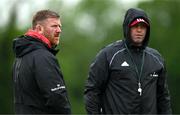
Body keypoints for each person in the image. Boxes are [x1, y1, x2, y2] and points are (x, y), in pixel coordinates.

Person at [84, 8, 172, 114]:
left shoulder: (157, 59)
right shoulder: (108, 55)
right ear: (127, 28)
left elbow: (163, 98)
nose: (139, 30)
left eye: (143, 27)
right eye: (135, 26)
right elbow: (92, 91)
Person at [12, 9, 71, 114]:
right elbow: (57, 99)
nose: (59, 30)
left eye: (59, 26)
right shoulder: (43, 56)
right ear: (39, 29)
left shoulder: (20, 56)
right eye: (54, 26)